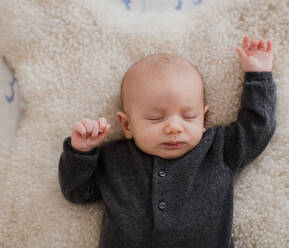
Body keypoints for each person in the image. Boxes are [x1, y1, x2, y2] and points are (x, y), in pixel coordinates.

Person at [58, 34, 276, 248]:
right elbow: (76, 192)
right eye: (156, 118)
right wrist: (81, 152)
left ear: (204, 119)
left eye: (189, 116)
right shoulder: (114, 159)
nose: (174, 127)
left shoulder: (217, 149)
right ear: (127, 126)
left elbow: (257, 129)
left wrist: (258, 77)